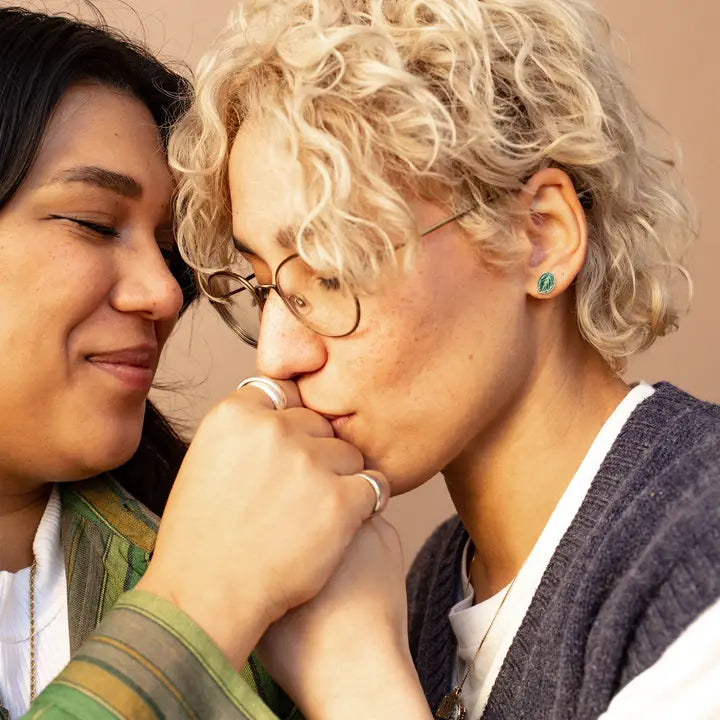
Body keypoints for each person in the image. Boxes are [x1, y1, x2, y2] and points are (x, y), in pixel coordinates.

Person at [171, 0, 720, 718]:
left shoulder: (695, 558)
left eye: (331, 274)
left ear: (540, 237)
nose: (277, 355)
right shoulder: (430, 587)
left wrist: (355, 677)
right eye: (267, 286)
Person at [1, 8, 405, 720]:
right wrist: (198, 602)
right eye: (95, 223)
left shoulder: (281, 584)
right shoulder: (226, 579)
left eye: (167, 248)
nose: (162, 293)